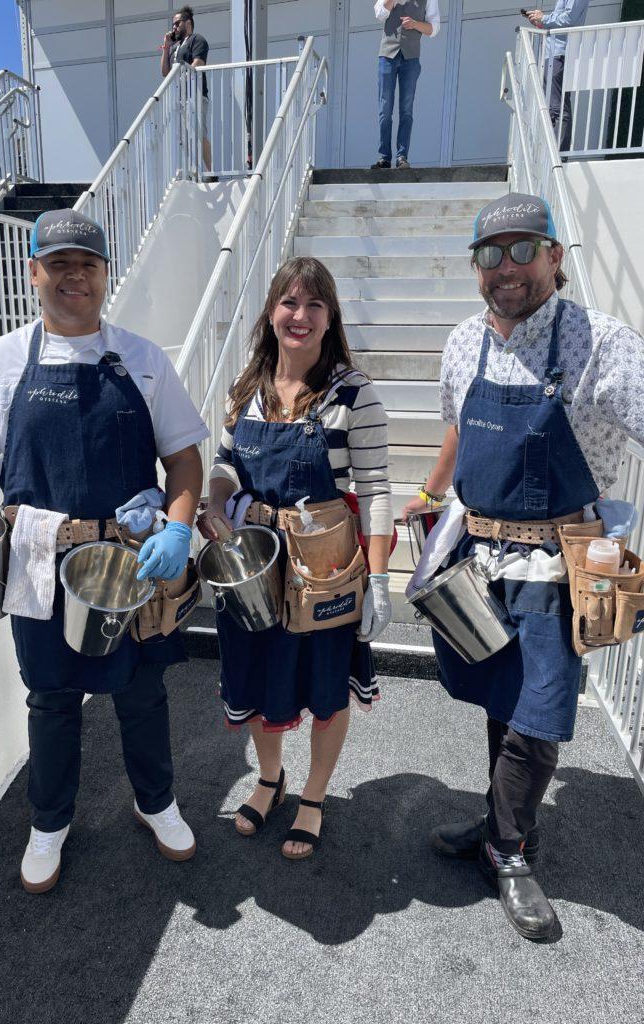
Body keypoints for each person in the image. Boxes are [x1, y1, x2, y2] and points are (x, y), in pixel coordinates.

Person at [0, 208, 209, 893]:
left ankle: (156, 803)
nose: (73, 277)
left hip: (129, 562)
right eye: (58, 264)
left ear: (105, 274)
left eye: (86, 264)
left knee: (142, 692)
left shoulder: (143, 360)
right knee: (50, 698)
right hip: (37, 561)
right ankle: (48, 822)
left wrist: (178, 527)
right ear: (34, 273)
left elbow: (184, 460)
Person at [402, 192, 644, 940]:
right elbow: (456, 430)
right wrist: (429, 494)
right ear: (475, 267)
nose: (505, 268)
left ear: (555, 257)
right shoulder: (462, 341)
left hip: (559, 559)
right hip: (478, 558)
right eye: (489, 254)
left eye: (521, 249)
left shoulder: (604, 343)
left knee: (538, 719)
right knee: (501, 699)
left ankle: (507, 852)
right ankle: (502, 827)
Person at [197, 256, 393, 860]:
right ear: (271, 312)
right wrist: (216, 498)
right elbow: (225, 465)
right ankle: (269, 777)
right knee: (256, 679)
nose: (299, 316)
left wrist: (380, 582)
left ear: (330, 317)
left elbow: (378, 490)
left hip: (324, 570)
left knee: (326, 686)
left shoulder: (352, 396)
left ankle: (313, 794)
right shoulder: (245, 390)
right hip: (254, 569)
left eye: (313, 305)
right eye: (289, 302)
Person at [372, 0, 440, 170]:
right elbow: (379, 13)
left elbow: (434, 28)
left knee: (406, 110)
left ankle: (402, 157)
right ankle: (384, 157)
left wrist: (416, 24)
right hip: (387, 57)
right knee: (385, 109)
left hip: (411, 58)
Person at [525, 0, 590, 152]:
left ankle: (559, 155)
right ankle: (552, 153)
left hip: (560, 54)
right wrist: (541, 23)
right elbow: (562, 20)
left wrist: (544, 18)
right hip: (552, 54)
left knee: (558, 108)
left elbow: (569, 19)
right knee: (551, 108)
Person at [161, 5, 214, 177]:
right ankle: (193, 170)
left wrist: (180, 82)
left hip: (196, 95)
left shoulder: (197, 39)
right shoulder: (175, 48)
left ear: (188, 22)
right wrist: (166, 48)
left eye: (177, 23)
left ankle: (208, 172)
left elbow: (198, 64)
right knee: (184, 138)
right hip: (181, 99)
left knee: (199, 133)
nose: (174, 27)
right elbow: (165, 73)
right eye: (173, 24)